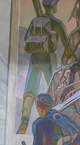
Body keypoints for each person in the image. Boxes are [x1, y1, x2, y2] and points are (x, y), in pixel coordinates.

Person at [17, 0, 68, 134]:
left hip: (34, 57)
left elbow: (26, 39)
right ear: (54, 6)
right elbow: (66, 43)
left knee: (30, 90)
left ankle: (24, 122)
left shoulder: (35, 21)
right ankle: (55, 123)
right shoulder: (57, 23)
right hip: (49, 58)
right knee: (53, 90)